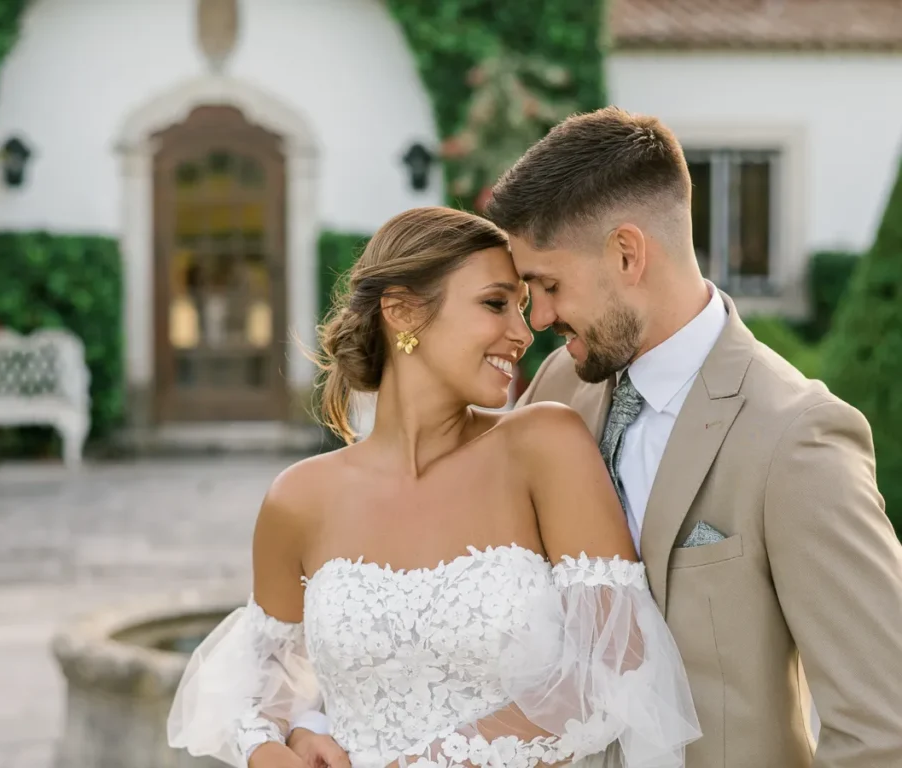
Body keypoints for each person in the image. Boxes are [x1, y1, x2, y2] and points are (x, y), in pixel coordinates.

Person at [289, 107, 902, 767]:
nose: (539, 319)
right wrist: (306, 717)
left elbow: (882, 727)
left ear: (627, 253)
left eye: (548, 286)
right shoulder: (559, 388)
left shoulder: (797, 437)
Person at [167, 206, 702, 768]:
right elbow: (266, 677)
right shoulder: (298, 499)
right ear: (401, 312)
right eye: (496, 303)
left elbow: (615, 665)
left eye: (523, 307)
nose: (524, 333)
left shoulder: (544, 445)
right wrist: (279, 741)